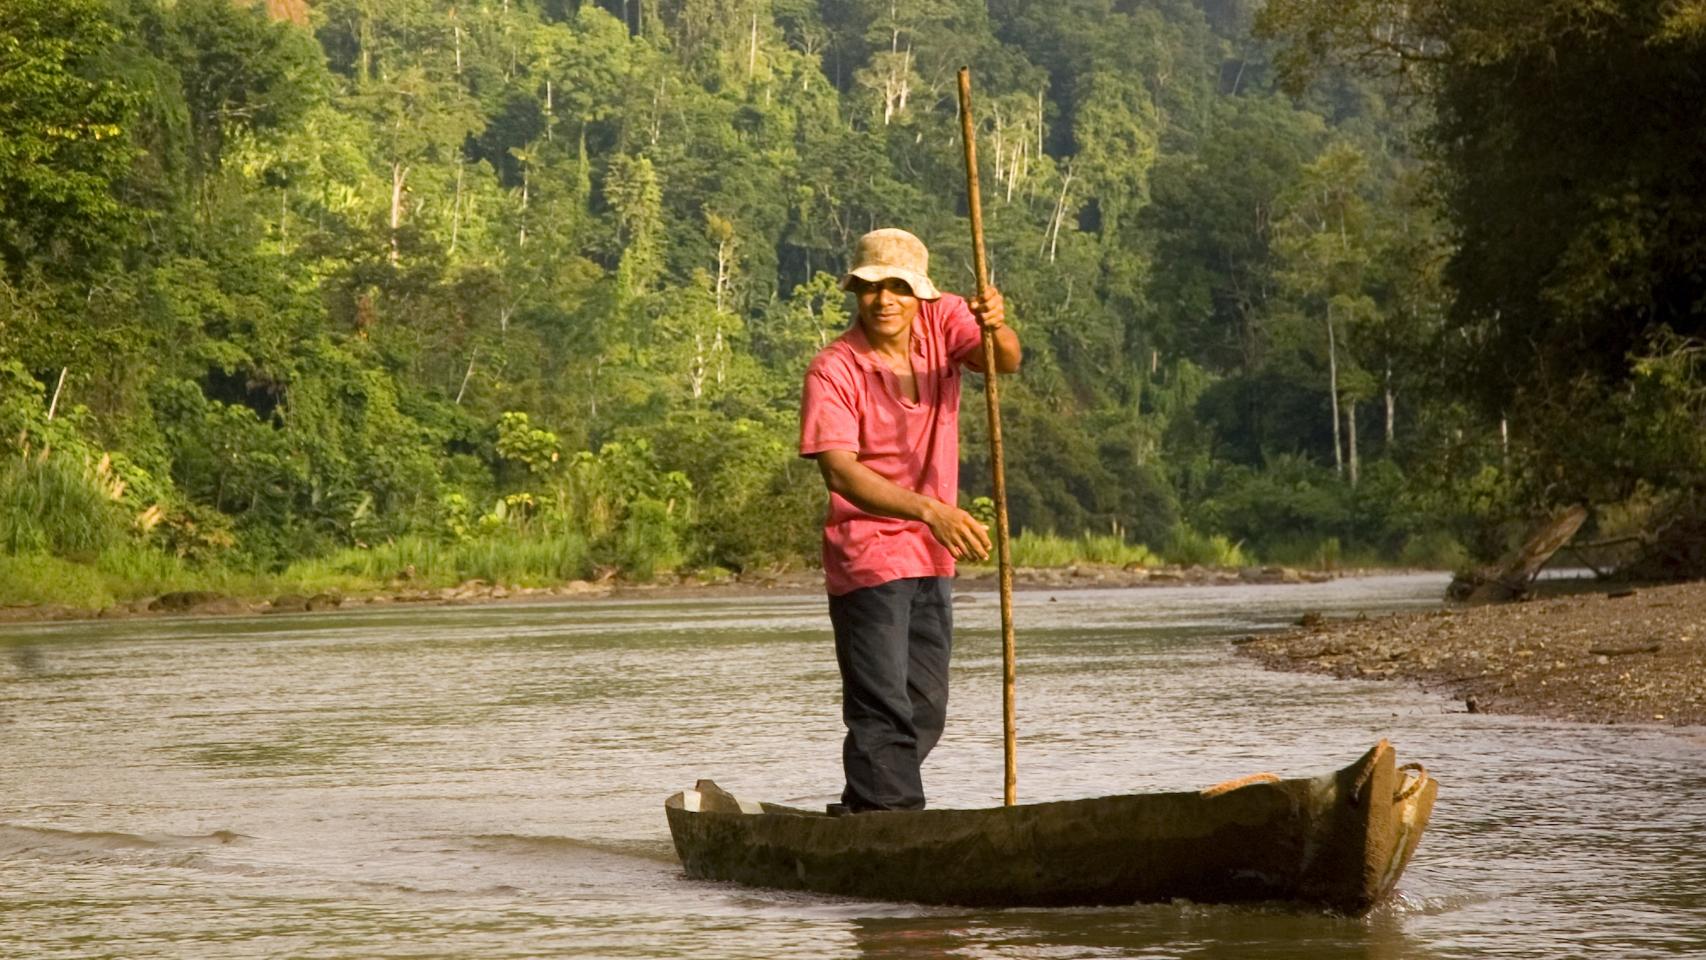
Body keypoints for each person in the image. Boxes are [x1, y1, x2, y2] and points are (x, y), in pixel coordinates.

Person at [798, 227, 1022, 813]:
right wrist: (929, 509)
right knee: (883, 709)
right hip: (867, 555)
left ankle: (861, 812)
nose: (884, 300)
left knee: (925, 706)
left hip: (931, 556)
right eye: (871, 287)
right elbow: (840, 472)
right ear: (855, 292)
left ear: (919, 292)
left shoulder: (943, 321)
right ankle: (891, 824)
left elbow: (1005, 363)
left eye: (898, 287)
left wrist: (995, 324)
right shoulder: (835, 369)